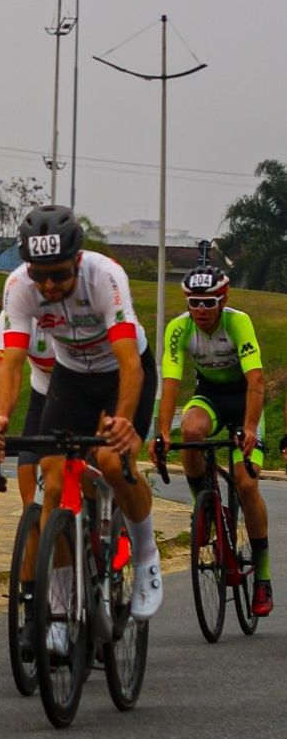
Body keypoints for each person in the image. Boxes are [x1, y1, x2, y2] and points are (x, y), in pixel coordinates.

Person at [0, 204, 162, 629]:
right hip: (72, 376)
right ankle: (59, 614)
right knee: (55, 477)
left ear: (77, 260)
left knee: (115, 463)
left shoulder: (105, 276)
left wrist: (122, 421)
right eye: (39, 274)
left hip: (123, 371)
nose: (48, 283)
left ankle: (147, 556)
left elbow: (130, 363)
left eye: (58, 274)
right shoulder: (19, 286)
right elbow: (8, 363)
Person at [156, 260, 272, 615]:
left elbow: (256, 381)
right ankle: (203, 505)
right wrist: (161, 433)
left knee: (246, 484)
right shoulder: (179, 328)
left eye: (209, 302)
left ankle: (263, 578)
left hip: (244, 402)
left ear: (223, 300)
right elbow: (172, 380)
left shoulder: (238, 322)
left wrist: (250, 429)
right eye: (194, 302)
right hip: (210, 396)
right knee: (190, 432)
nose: (201, 309)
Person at [0, 311, 54, 507]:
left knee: (108, 464)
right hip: (45, 394)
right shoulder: (17, 304)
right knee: (28, 480)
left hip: (96, 387)